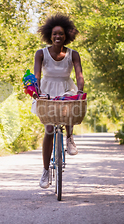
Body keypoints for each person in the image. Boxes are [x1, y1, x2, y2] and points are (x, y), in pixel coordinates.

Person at [33, 13, 85, 189]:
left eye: (61, 34)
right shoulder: (41, 53)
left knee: (69, 110)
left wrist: (80, 91)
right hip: (47, 90)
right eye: (54, 34)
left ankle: (69, 138)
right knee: (48, 129)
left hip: (66, 89)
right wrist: (37, 91)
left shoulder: (73, 54)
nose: (57, 37)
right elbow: (37, 76)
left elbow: (79, 75)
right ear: (50, 35)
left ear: (66, 36)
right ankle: (46, 171)